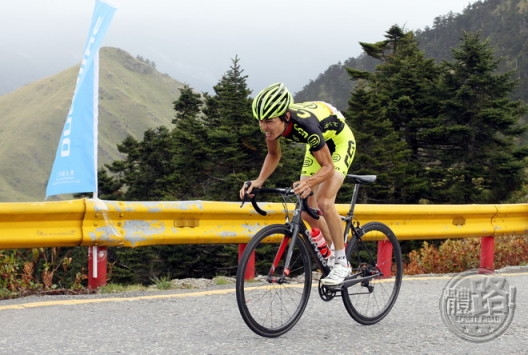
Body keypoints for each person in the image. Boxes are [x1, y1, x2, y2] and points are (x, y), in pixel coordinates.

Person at [239, 82, 356, 285]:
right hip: (317, 143)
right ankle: (330, 249)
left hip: (339, 141)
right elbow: (274, 154)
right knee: (305, 211)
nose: (264, 127)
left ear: (285, 117)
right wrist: (258, 181)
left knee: (324, 202)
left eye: (268, 121)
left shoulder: (306, 126)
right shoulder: (272, 129)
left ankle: (342, 262)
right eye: (260, 121)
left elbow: (328, 167)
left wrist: (310, 182)